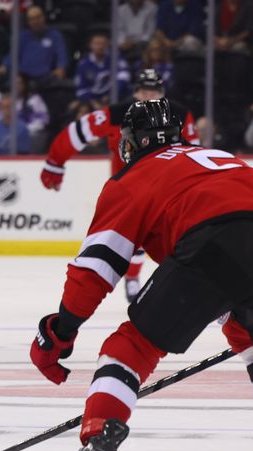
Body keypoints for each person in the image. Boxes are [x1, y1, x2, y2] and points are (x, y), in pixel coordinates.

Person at [30, 98, 253, 451]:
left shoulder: (132, 177)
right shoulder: (217, 155)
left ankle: (98, 444)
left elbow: (95, 270)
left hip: (221, 241)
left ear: (131, 142)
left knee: (131, 346)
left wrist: (60, 331)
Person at [40, 69, 199, 302]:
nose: (150, 95)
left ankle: (157, 282)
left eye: (154, 90)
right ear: (136, 92)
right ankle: (128, 280)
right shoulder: (116, 114)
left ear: (162, 93)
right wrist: (55, 162)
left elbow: (194, 150)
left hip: (165, 187)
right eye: (145, 90)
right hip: (127, 190)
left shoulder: (180, 114)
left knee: (169, 238)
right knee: (128, 238)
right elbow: (78, 131)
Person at [0, 5, 68, 85]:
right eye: (32, 19)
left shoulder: (55, 36)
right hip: (23, 78)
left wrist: (61, 68)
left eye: (38, 17)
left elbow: (62, 56)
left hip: (46, 78)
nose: (36, 21)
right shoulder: (23, 37)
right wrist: (4, 65)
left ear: (44, 17)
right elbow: (12, 55)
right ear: (28, 22)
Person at [74, 32, 131, 110]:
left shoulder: (116, 57)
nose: (100, 47)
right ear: (90, 45)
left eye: (103, 44)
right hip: (92, 102)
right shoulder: (83, 64)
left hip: (117, 99)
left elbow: (124, 78)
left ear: (108, 44)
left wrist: (110, 96)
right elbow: (81, 90)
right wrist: (92, 102)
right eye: (97, 44)